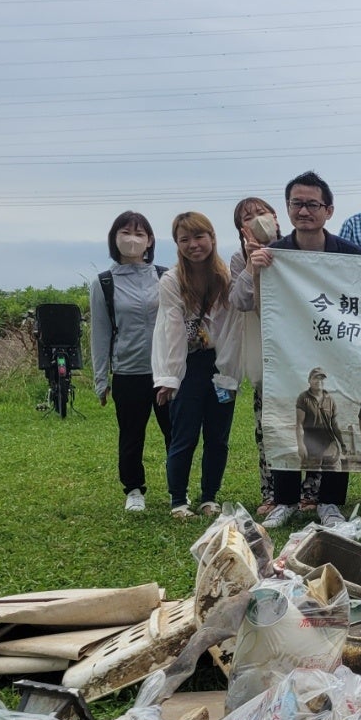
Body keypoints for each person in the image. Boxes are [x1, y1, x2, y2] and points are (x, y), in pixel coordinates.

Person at [244, 171, 361, 527]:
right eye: (297, 203)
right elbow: (251, 305)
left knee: (334, 420)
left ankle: (329, 501)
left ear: (328, 210)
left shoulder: (350, 254)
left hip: (338, 353)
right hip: (288, 354)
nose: (305, 211)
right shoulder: (274, 255)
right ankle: (285, 499)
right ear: (288, 208)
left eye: (313, 204)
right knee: (286, 420)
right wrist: (254, 272)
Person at [152, 211, 239, 520]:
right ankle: (178, 500)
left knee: (218, 436)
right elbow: (170, 330)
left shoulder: (226, 277)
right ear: (177, 244)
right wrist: (169, 378)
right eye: (184, 239)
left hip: (221, 366)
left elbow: (233, 326)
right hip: (188, 366)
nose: (193, 244)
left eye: (199, 236)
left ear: (212, 238)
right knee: (184, 435)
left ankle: (209, 496)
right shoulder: (172, 280)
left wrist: (232, 369)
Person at [225, 196, 302, 517]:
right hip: (268, 356)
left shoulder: (297, 250)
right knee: (269, 426)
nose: (257, 219)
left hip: (305, 350)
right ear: (241, 229)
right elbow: (240, 300)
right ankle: (273, 492)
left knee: (310, 423)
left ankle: (311, 492)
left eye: (262, 212)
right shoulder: (237, 259)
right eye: (248, 217)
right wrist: (250, 263)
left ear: (276, 216)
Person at [91, 210, 169, 513]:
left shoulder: (165, 276)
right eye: (125, 233)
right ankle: (134, 489)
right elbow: (99, 333)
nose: (132, 239)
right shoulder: (104, 283)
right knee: (131, 434)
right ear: (115, 239)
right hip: (128, 371)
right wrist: (101, 379)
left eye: (139, 234)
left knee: (175, 433)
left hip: (167, 371)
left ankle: (180, 487)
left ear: (150, 241)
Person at [294, 368, 343, 479]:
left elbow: (335, 425)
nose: (318, 381)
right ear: (309, 380)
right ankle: (309, 494)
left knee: (334, 475)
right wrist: (301, 445)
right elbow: (299, 424)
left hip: (329, 444)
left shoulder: (330, 399)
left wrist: (342, 444)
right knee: (311, 477)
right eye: (315, 378)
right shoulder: (303, 398)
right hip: (311, 443)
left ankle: (330, 495)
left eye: (321, 378)